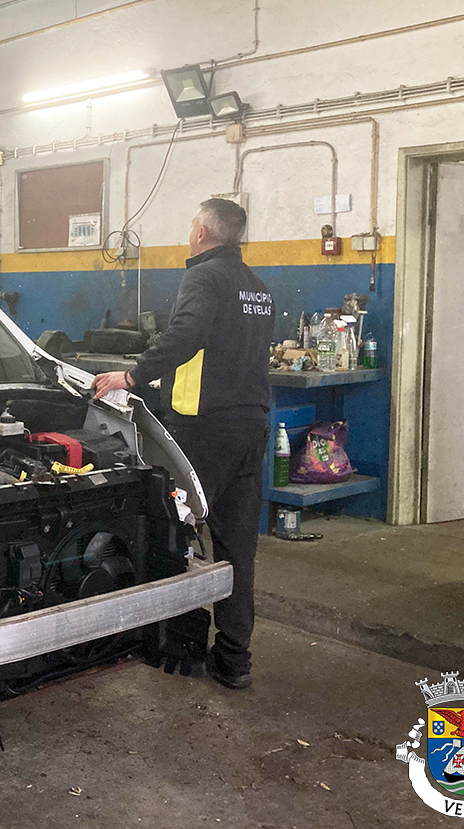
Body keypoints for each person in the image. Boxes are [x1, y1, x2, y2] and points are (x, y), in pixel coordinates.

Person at [91, 198, 273, 689]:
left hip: (202, 431)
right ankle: (234, 659)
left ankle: (177, 644)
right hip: (250, 428)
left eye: (193, 224)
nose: (190, 231)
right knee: (237, 549)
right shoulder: (257, 288)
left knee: (174, 532)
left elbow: (185, 335)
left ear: (203, 234)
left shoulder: (204, 277)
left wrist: (132, 376)